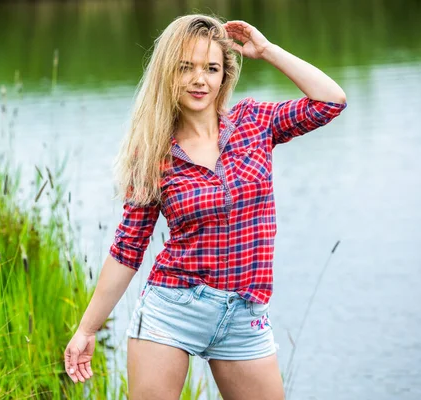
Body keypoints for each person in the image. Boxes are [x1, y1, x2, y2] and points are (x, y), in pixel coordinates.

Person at [64, 14, 346, 400]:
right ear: (168, 74)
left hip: (244, 315)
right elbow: (128, 248)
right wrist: (87, 329)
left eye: (211, 68)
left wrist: (267, 51)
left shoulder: (254, 123)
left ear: (224, 76)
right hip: (172, 308)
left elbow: (330, 102)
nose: (200, 79)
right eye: (186, 68)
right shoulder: (152, 154)